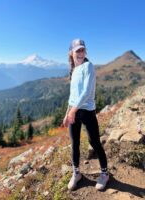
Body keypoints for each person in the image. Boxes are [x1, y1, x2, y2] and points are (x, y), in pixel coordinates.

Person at [63, 38, 109, 191]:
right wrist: (67, 113)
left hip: (87, 111)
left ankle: (104, 173)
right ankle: (76, 173)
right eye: (78, 50)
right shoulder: (73, 70)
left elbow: (87, 92)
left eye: (83, 50)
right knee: (74, 143)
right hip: (74, 110)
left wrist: (73, 110)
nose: (81, 53)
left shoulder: (88, 66)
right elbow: (72, 95)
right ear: (71, 53)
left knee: (94, 142)